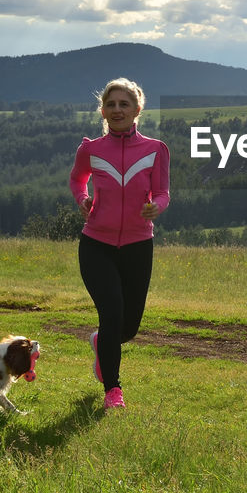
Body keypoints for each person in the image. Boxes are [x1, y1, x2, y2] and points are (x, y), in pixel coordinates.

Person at [68, 78, 170, 410]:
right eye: (111, 104)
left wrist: (158, 205)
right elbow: (77, 178)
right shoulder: (91, 149)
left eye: (124, 104)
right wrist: (83, 198)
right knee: (111, 314)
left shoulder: (156, 150)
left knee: (128, 326)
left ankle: (101, 344)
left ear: (137, 109)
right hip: (96, 244)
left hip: (139, 246)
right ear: (103, 110)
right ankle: (113, 390)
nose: (117, 110)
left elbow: (163, 192)